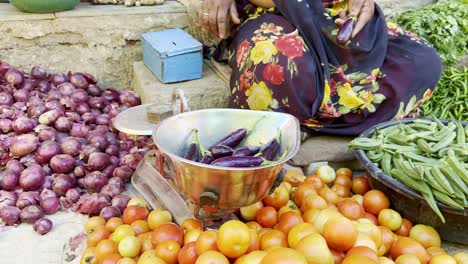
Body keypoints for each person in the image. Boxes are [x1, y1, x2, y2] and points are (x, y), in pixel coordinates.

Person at [198, 0, 442, 136]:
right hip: (271, 10)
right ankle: (307, 114)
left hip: (334, 14)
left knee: (422, 61)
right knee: (279, 66)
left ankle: (305, 119)